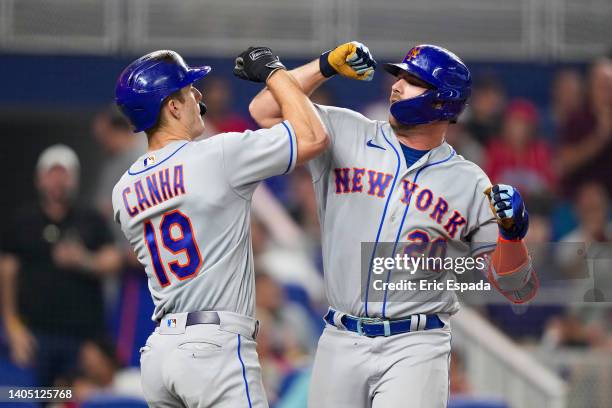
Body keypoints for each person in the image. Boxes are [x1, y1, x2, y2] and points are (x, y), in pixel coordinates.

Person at [249, 42, 538, 408]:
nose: (396, 85)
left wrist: (513, 235)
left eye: (412, 80)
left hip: (415, 344)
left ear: (442, 100)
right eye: (398, 76)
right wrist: (325, 66)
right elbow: (264, 109)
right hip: (341, 336)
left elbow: (517, 287)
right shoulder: (345, 131)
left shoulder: (470, 181)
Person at [112, 48, 328, 407]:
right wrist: (275, 74)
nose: (198, 95)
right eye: (188, 90)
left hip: (160, 352)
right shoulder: (216, 156)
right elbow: (313, 137)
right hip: (213, 346)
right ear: (173, 107)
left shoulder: (123, 190)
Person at [0, 144, 121, 386]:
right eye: (51, 174)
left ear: (74, 179)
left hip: (82, 338)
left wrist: (84, 260)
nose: (57, 181)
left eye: (64, 174)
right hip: (34, 336)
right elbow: (7, 272)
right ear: (39, 179)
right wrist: (12, 327)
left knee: (71, 399)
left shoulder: (91, 219)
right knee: (29, 398)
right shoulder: (24, 221)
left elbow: (114, 259)